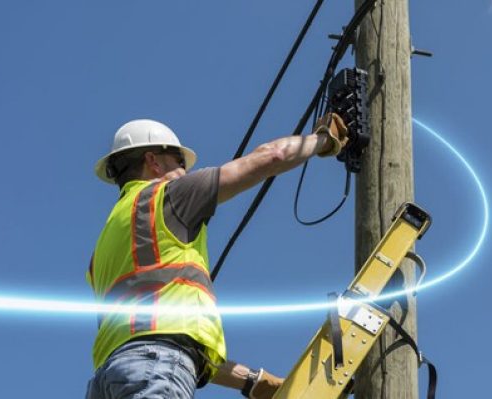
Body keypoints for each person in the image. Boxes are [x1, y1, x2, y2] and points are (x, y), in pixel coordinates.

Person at [85, 115, 349, 399]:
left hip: (107, 379)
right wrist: (323, 139)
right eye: (179, 162)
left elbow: (165, 340)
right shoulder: (167, 195)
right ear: (154, 161)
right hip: (154, 366)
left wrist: (252, 381)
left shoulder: (103, 249)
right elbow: (271, 157)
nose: (184, 172)